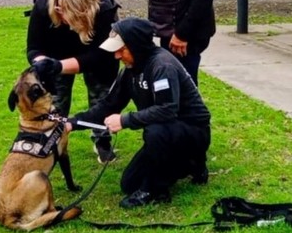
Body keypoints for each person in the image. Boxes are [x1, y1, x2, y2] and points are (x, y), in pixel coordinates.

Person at [66, 17, 212, 208]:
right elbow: (109, 104)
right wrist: (73, 123)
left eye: (121, 49)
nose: (117, 56)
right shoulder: (130, 69)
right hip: (166, 132)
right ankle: (191, 165)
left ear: (137, 45)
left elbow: (167, 110)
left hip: (193, 131)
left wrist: (125, 120)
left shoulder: (162, 66)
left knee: (155, 131)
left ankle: (156, 191)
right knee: (129, 184)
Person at [27, 0, 120, 164]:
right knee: (55, 103)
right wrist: (42, 62)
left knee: (101, 97)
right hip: (57, 53)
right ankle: (53, 143)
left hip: (97, 54)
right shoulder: (44, 5)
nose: (60, 15)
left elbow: (103, 55)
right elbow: (34, 47)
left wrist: (61, 65)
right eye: (58, 10)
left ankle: (102, 141)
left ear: (83, 11)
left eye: (65, 13)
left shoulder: (104, 8)